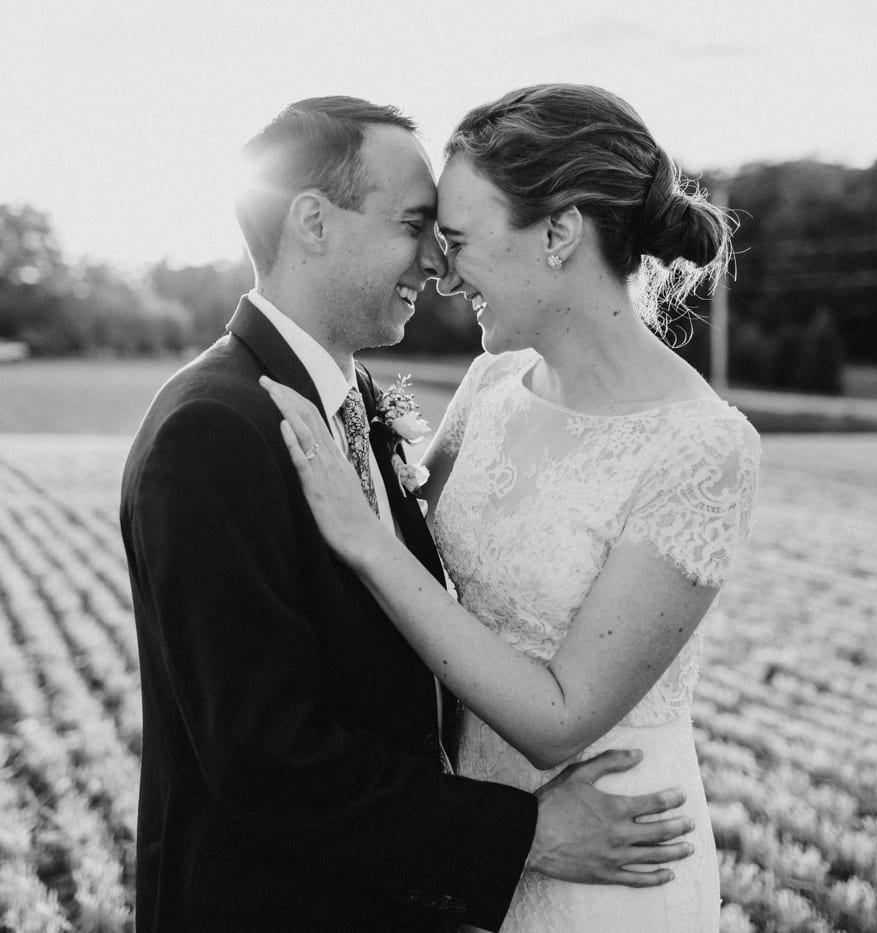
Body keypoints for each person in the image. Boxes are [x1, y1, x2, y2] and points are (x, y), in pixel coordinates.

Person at [119, 95, 695, 933]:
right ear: (313, 221)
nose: (437, 260)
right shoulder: (213, 429)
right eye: (415, 224)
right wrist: (523, 833)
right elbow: (266, 759)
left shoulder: (343, 397)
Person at [262, 84, 761, 933]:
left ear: (559, 233)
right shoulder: (494, 384)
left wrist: (362, 539)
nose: (442, 272)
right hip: (479, 844)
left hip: (607, 854)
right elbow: (424, 569)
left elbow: (560, 719)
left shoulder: (702, 447)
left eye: (457, 240)